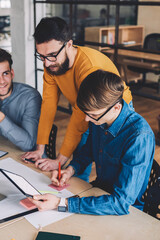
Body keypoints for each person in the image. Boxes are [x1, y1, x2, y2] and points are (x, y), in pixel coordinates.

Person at [29, 70, 155, 215]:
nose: (87, 120)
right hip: (98, 192)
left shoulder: (139, 137)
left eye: (93, 115)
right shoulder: (101, 116)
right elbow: (88, 151)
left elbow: (121, 203)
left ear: (116, 108)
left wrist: (60, 203)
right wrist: (70, 170)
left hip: (123, 210)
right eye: (86, 113)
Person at [22, 17, 132, 181]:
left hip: (112, 110)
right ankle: (76, 195)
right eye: (41, 56)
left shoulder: (88, 67)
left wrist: (59, 160)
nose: (46, 63)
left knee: (113, 165)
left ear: (68, 44)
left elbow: (80, 116)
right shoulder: (52, 64)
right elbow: (48, 106)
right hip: (87, 110)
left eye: (51, 55)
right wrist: (40, 149)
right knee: (80, 155)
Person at [0, 48, 42, 151]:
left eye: (5, 73)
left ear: (12, 73)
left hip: (27, 160)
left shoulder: (30, 97)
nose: (1, 81)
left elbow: (28, 145)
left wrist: (1, 118)